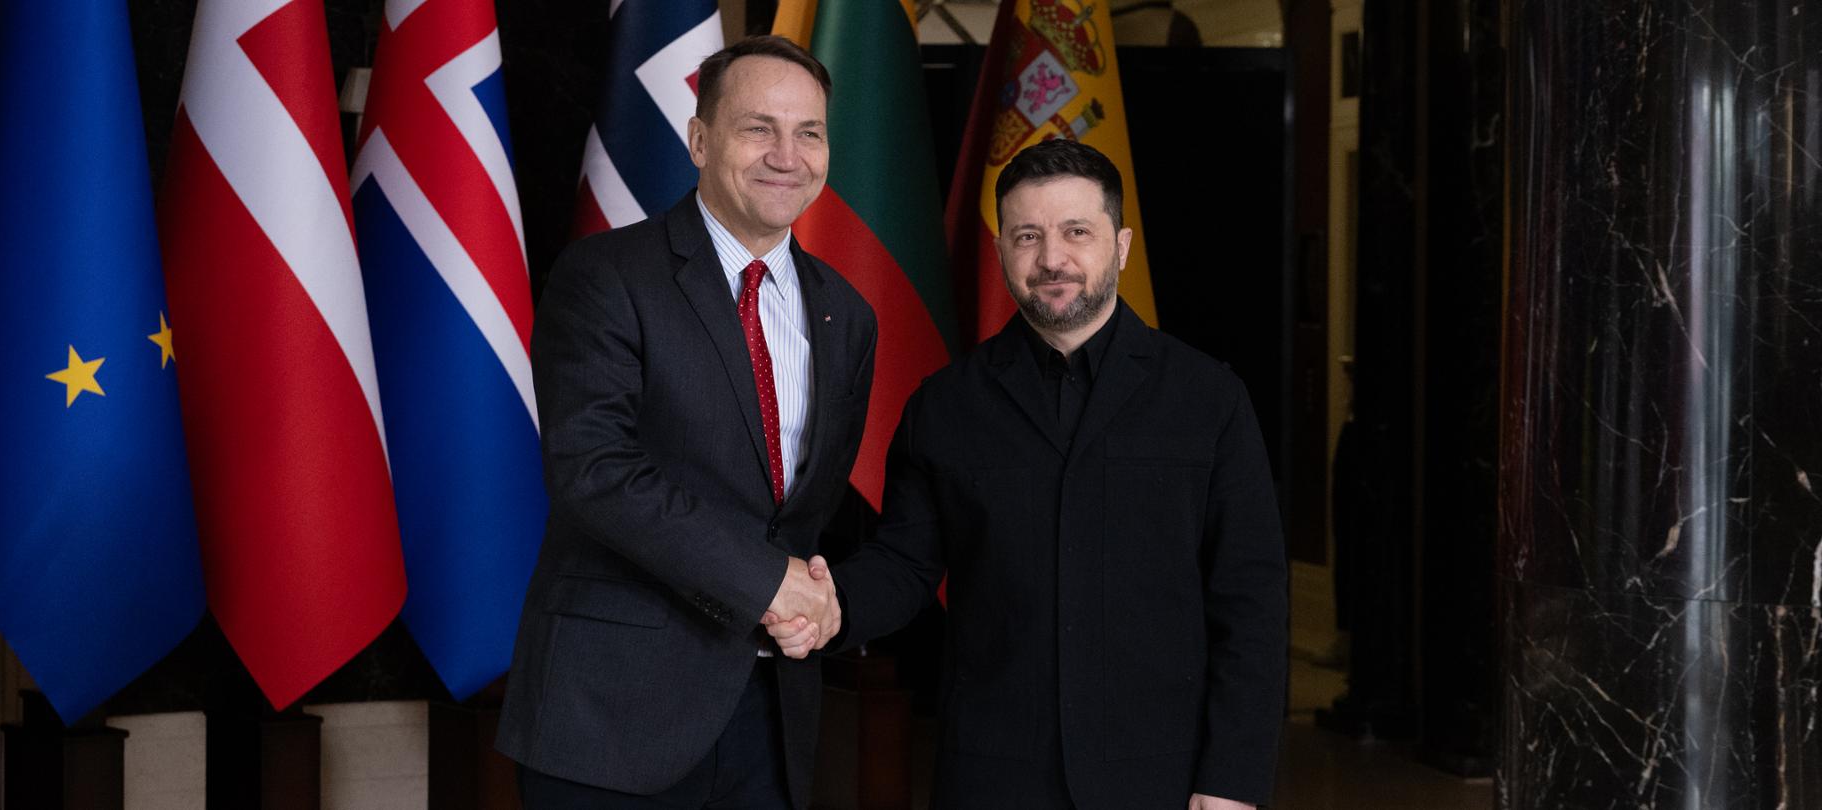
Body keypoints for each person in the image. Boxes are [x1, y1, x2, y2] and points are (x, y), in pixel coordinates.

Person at [774, 139, 1286, 808]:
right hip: (993, 774)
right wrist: (826, 606)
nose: (1052, 259)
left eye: (1077, 232)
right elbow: (904, 564)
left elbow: (1250, 604)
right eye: (1027, 235)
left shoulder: (1209, 400)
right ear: (1001, 250)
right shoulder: (946, 404)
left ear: (1122, 245)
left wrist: (1231, 783)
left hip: (1162, 776)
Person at [497, 35, 876, 809]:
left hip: (770, 719)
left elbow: (808, 513)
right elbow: (593, 472)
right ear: (700, 139)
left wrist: (828, 599)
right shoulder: (605, 277)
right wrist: (767, 580)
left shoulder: (849, 315)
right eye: (757, 127)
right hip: (610, 717)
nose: (786, 154)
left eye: (809, 132)